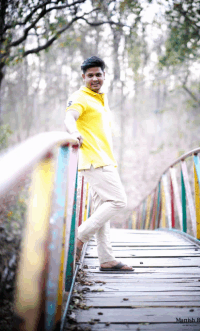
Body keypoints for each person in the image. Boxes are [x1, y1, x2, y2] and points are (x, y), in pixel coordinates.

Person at [64, 56, 133, 271]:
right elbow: (69, 117)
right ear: (83, 77)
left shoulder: (99, 98)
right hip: (95, 161)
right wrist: (74, 132)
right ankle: (78, 238)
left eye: (98, 74)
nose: (95, 78)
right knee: (118, 201)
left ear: (104, 76)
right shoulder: (80, 97)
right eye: (90, 75)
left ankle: (106, 259)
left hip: (104, 160)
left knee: (102, 209)